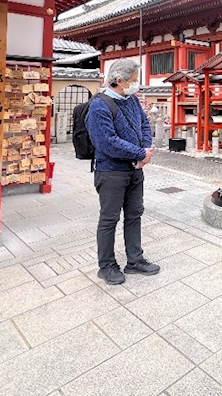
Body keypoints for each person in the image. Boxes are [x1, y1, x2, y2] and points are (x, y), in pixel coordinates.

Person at [86, 58, 159, 285]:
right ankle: (106, 265)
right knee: (109, 219)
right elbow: (107, 142)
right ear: (119, 80)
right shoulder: (99, 106)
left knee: (134, 214)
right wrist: (139, 153)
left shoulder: (132, 99)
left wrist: (145, 150)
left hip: (135, 170)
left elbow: (144, 125)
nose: (136, 84)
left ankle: (135, 260)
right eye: (134, 80)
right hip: (111, 172)